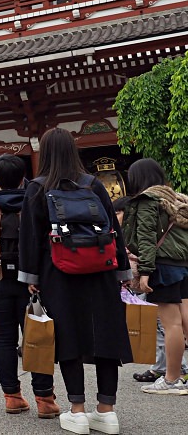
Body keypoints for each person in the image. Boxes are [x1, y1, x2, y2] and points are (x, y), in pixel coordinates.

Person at [18, 128, 133, 435]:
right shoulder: (93, 184)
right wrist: (122, 271)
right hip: (101, 270)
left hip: (59, 272)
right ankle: (107, 412)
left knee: (69, 337)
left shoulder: (38, 188)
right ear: (73, 150)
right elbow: (114, 232)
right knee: (105, 334)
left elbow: (30, 237)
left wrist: (31, 277)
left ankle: (78, 411)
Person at [0, 154, 60, 418]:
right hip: (32, 280)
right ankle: (45, 399)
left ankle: (12, 397)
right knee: (37, 336)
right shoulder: (36, 200)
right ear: (24, 177)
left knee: (3, 338)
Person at [123, 158, 188, 395]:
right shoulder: (176, 197)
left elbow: (146, 238)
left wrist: (146, 273)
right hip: (184, 265)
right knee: (185, 321)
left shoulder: (147, 201)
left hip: (164, 267)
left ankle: (172, 379)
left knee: (171, 325)